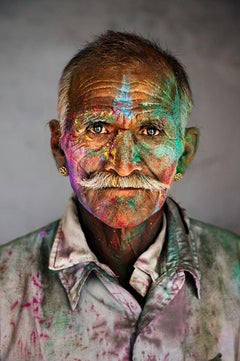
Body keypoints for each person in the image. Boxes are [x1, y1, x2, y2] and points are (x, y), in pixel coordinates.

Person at [0, 31, 239, 361]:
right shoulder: (4, 286)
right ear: (59, 148)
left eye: (151, 130)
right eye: (98, 128)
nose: (124, 165)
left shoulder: (236, 271)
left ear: (184, 153)